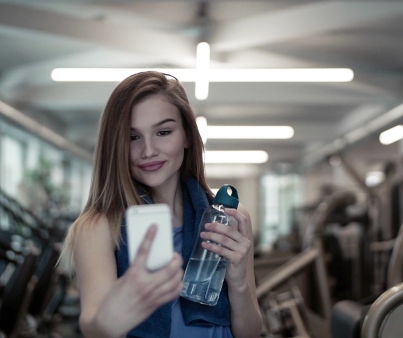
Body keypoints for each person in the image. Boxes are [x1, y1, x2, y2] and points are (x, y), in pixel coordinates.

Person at [59, 71, 262, 338]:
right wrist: (114, 312)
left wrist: (238, 285)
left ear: (188, 136)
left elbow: (250, 333)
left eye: (163, 132)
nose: (149, 150)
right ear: (116, 144)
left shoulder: (229, 218)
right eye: (133, 137)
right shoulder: (98, 227)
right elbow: (92, 326)